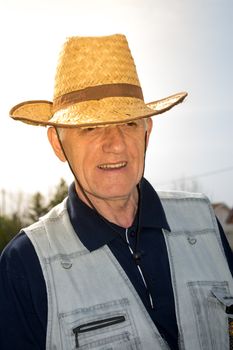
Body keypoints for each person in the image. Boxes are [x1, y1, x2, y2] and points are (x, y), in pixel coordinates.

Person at [0, 34, 232, 350]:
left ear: (147, 132)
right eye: (90, 128)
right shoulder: (26, 262)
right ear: (58, 144)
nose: (116, 144)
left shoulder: (203, 219)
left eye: (129, 124)